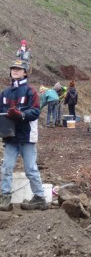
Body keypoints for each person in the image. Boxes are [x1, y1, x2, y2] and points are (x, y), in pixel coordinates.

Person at [0, 60, 49, 211]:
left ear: (25, 72)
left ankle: (40, 197)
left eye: (18, 69)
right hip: (10, 136)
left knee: (30, 169)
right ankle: (5, 197)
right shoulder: (5, 93)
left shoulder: (30, 91)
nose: (15, 70)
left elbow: (35, 111)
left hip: (26, 135)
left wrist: (21, 114)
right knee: (6, 168)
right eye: (13, 68)